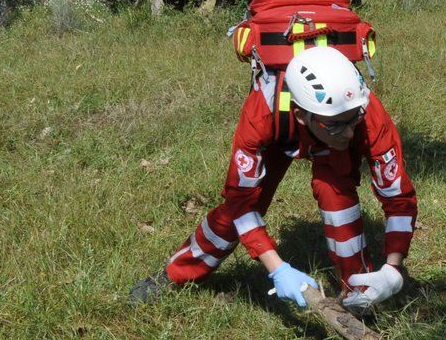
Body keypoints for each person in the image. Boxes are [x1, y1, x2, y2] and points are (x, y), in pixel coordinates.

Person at [130, 48, 417, 314]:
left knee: (336, 198)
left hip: (322, 137)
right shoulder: (262, 113)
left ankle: (361, 291)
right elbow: (240, 203)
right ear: (301, 116)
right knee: (235, 215)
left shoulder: (366, 113)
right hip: (279, 136)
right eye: (336, 124)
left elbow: (398, 197)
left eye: (353, 119)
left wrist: (394, 267)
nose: (348, 134)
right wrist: (277, 268)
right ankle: (174, 273)